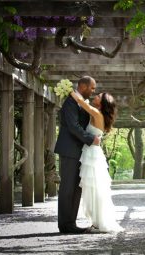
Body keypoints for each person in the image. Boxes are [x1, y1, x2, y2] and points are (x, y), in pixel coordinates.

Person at [70, 90, 124, 233]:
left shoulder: (97, 113)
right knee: (93, 188)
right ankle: (96, 220)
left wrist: (68, 88)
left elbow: (81, 103)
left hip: (92, 155)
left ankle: (99, 221)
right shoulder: (98, 114)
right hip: (92, 152)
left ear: (102, 103)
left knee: (94, 188)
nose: (96, 96)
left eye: (99, 96)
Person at [54, 76, 100, 234]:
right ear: (82, 86)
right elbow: (73, 127)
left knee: (76, 188)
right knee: (67, 188)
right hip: (69, 151)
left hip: (79, 152)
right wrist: (91, 139)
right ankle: (65, 225)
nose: (93, 91)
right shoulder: (70, 102)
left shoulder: (80, 101)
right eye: (92, 88)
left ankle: (70, 223)